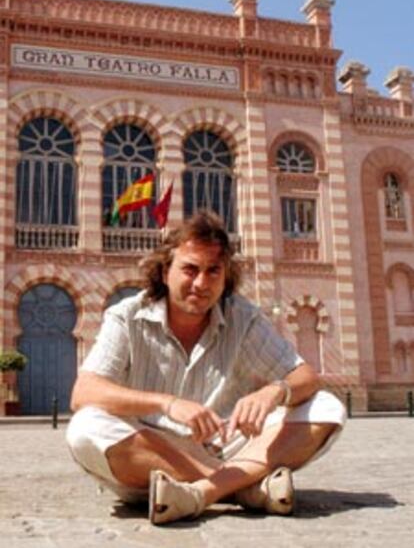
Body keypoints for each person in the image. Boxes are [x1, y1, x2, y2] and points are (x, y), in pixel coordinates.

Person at [67, 211, 346, 525]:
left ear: (226, 276)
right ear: (164, 271)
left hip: (228, 447)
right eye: (190, 269)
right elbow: (84, 392)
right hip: (155, 458)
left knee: (326, 406)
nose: (201, 283)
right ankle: (241, 488)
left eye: (213, 270)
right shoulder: (128, 315)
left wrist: (274, 392)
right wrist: (166, 403)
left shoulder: (242, 317)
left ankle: (200, 493)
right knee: (86, 427)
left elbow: (305, 376)